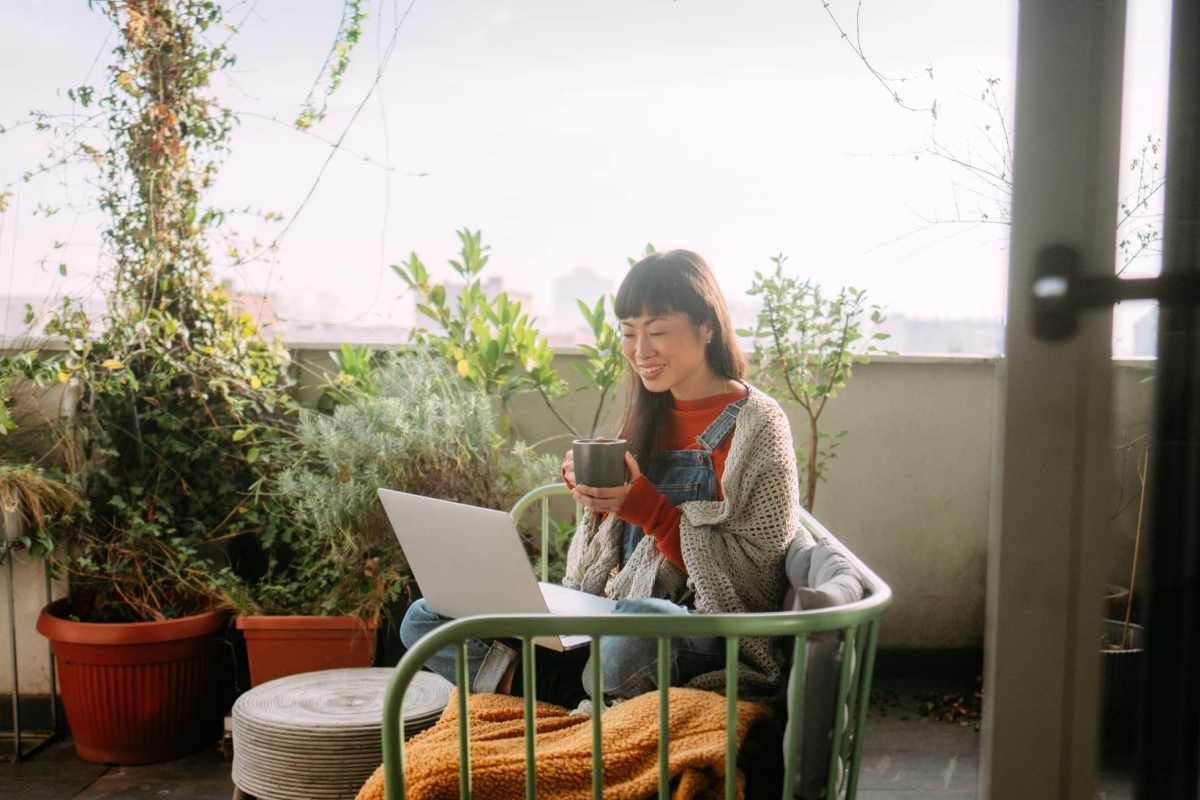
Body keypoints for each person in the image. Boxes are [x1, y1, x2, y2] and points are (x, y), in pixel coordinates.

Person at [400, 249, 804, 705]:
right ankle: (576, 689)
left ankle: (548, 684)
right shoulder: (650, 413)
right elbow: (619, 552)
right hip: (614, 621)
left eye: (657, 331)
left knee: (637, 624)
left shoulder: (758, 424)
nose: (640, 350)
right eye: (628, 333)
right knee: (424, 617)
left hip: (703, 632)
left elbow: (757, 575)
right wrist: (592, 494)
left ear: (706, 327)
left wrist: (647, 511)